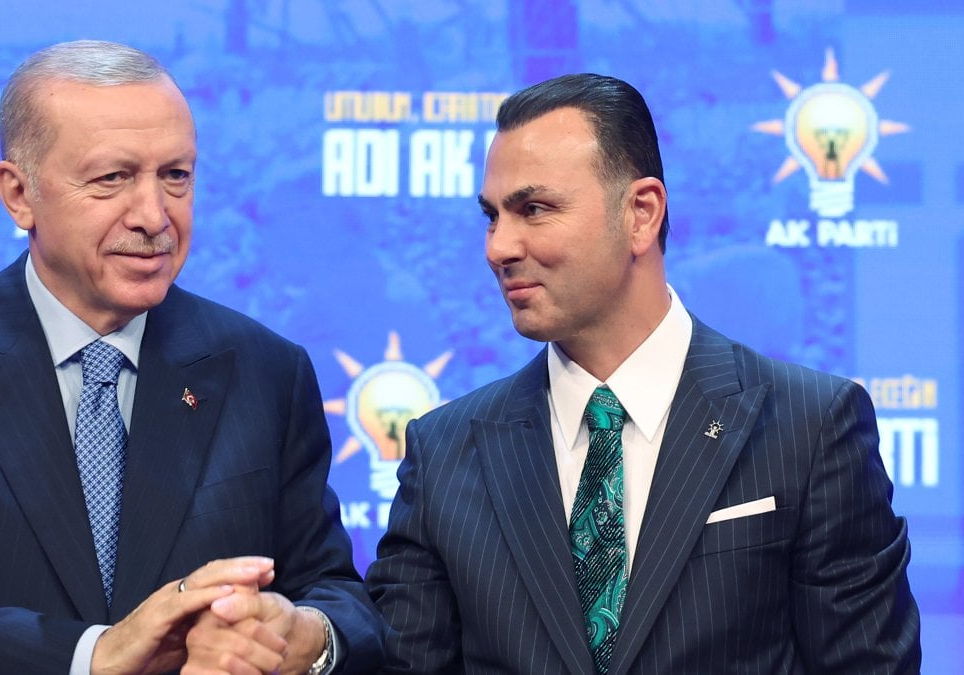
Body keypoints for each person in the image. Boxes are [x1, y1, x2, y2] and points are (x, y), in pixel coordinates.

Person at [0, 40, 383, 675]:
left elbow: (337, 595)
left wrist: (306, 638)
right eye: (112, 178)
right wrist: (91, 654)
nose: (154, 216)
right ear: (18, 194)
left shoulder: (266, 370)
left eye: (176, 175)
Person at [366, 73, 920, 674]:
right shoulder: (443, 454)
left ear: (641, 213)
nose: (499, 247)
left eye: (534, 209)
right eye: (492, 216)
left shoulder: (810, 428)